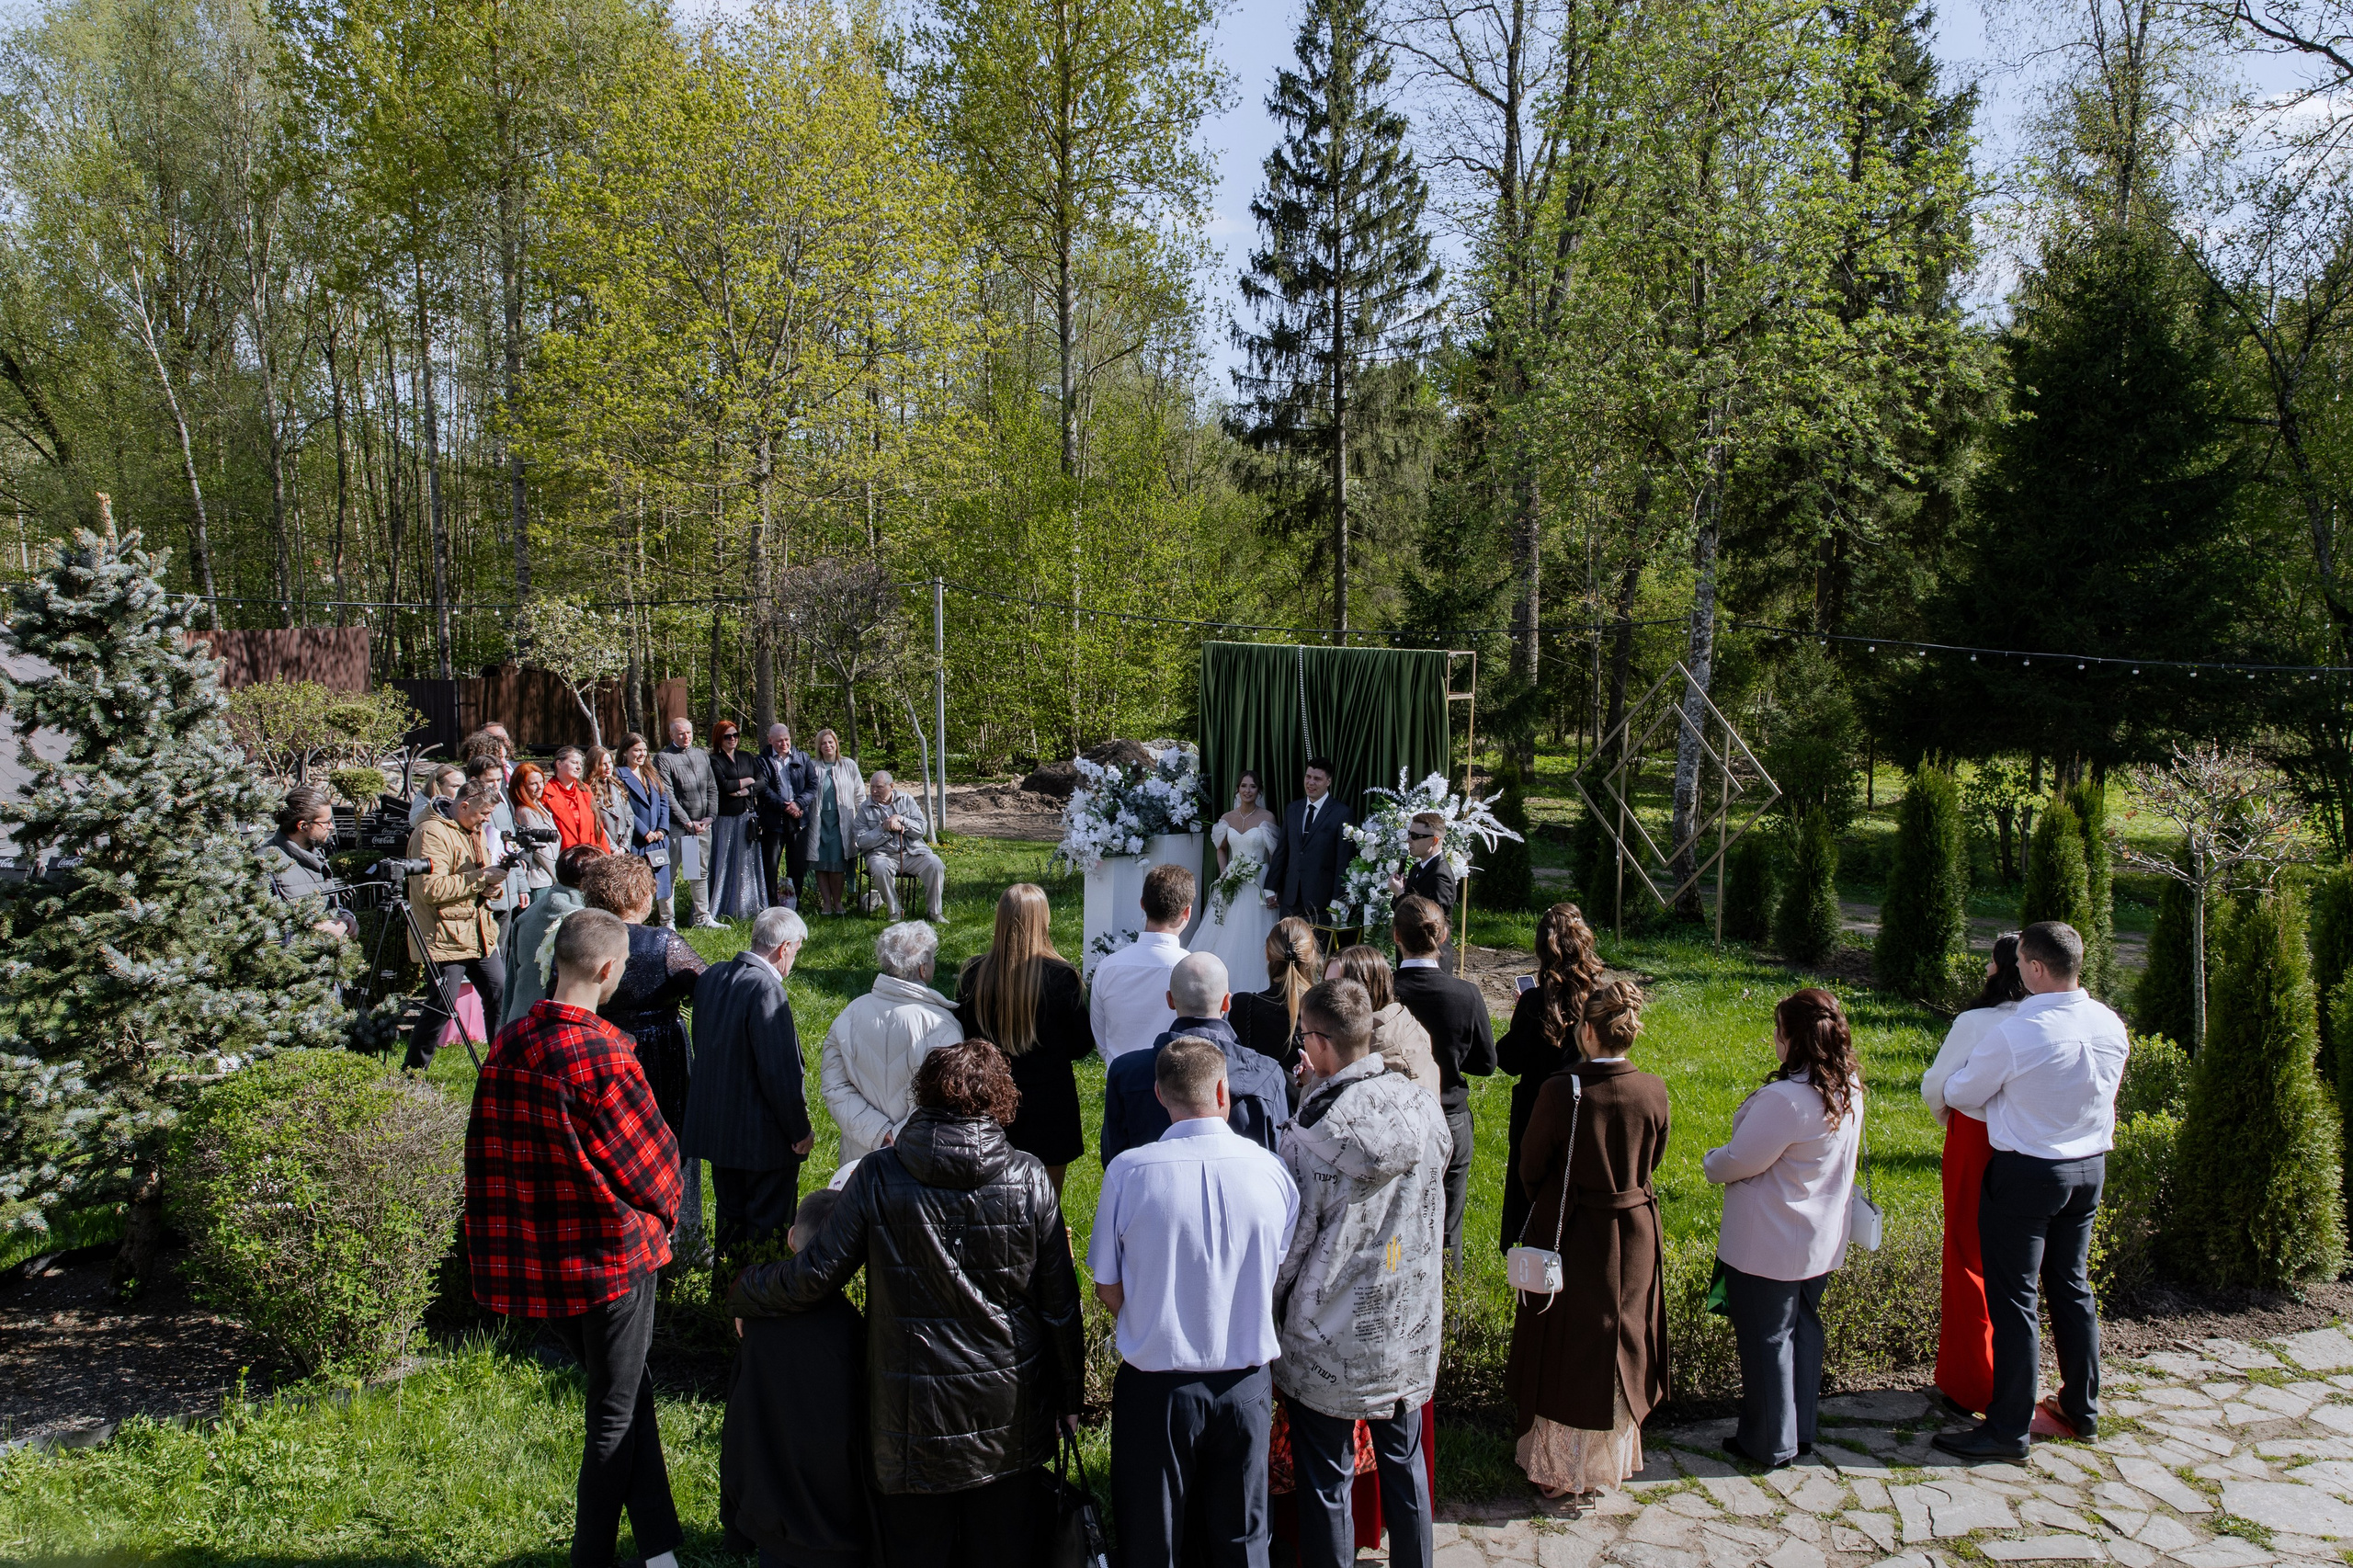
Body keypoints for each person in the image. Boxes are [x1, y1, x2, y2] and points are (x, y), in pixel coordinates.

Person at [732, 1040, 1087, 1568]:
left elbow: (814, 1275)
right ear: (1001, 1100)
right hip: (1008, 1416)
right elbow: (1060, 1305)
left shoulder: (878, 1175)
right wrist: (1069, 1396)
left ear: (924, 1094)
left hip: (910, 1424)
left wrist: (745, 1289)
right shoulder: (1028, 1177)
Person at [463, 907, 685, 1568]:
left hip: (538, 1261)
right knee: (614, 1414)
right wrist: (665, 1219)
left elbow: (487, 1154)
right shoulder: (605, 1057)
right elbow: (654, 1169)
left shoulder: (508, 1044)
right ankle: (592, 1557)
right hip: (610, 1259)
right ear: (610, 969)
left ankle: (660, 1548)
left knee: (628, 1394)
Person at [1091, 1036, 1300, 1568]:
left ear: (1160, 1094)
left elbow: (1107, 1286)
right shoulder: (1272, 1171)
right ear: (1223, 1091)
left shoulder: (1128, 1173)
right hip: (1245, 1383)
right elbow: (1274, 1268)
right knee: (1243, 1542)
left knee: (1153, 1541)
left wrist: (1151, 1317)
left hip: (1156, 1387)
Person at [1934, 920, 2128, 1460]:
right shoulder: (2109, 1022)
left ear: (2037, 969)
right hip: (2088, 1169)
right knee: (2072, 1288)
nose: (2015, 970)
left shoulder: (2019, 1032)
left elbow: (1960, 1090)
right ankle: (2081, 1408)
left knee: (2014, 1299)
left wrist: (2001, 1097)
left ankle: (2008, 1428)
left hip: (2027, 1173)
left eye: (2019, 962)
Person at [1276, 979, 1451, 1568]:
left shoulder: (1308, 1139)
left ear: (1321, 1044)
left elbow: (1290, 1252)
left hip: (1325, 1342)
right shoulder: (1425, 1108)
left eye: (1303, 1037)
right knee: (1406, 1468)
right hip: (1407, 1328)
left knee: (1327, 1484)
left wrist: (1270, 1312)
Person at [1506, 980, 1669, 1505]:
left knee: (1565, 1343)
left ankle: (1559, 1468)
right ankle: (1608, 1461)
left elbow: (1531, 1167)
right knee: (1622, 1338)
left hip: (1574, 1232)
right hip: (1636, 1233)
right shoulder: (1653, 1090)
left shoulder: (1562, 1091)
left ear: (1589, 1031)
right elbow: (1653, 1157)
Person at [1703, 988, 1865, 1471]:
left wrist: (1712, 1161)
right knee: (1804, 1329)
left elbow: (1740, 1160)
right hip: (1820, 1238)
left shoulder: (1786, 1100)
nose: (1774, 1039)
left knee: (1766, 1338)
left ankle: (1769, 1442)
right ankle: (1801, 1430)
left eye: (1778, 1031)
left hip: (1769, 1242)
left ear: (1794, 1038)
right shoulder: (1848, 1087)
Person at [723, 1187, 872, 1568]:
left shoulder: (757, 1322)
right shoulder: (854, 1331)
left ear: (791, 1238)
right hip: (837, 1528)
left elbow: (739, 1420)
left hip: (771, 1517)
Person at [1922, 934, 2028, 1419]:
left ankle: (1970, 1381)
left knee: (1966, 1254)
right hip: (2031, 1142)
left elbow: (1936, 1085)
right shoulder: (2041, 1019)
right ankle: (2012, 1377)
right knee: (2017, 1261)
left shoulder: (1977, 1022)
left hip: (1975, 1136)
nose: (1985, 969)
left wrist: (1948, 1116)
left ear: (2002, 969)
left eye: (1990, 961)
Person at [583, 854, 710, 1244]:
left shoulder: (581, 938)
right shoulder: (662, 942)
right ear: (641, 897)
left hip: (599, 1045)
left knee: (610, 1138)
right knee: (671, 1135)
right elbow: (707, 985)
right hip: (659, 1048)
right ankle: (682, 1234)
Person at [685, 905, 815, 1279]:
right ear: (784, 948)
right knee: (767, 1233)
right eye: (797, 951)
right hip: (763, 1140)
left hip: (720, 1130)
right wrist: (800, 1131)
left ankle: (724, 1300)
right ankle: (759, 1305)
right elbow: (779, 1071)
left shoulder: (713, 975)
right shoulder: (765, 988)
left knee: (730, 1223)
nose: (794, 959)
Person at [957, 882, 1095, 1191]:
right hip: (1050, 1105)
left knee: (991, 1202)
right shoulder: (1062, 976)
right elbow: (1081, 1044)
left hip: (991, 1100)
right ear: (1043, 919)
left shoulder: (974, 974)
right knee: (1046, 1205)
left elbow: (964, 1038)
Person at [1102, 951, 1291, 1164]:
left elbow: (1114, 1159)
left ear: (1170, 1000)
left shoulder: (1126, 1073)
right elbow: (1281, 1157)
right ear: (1227, 1002)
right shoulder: (1266, 1075)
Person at [1392, 895, 1495, 1266]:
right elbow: (1486, 1063)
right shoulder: (1465, 994)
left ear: (1396, 936)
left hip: (1396, 1115)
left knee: (1394, 1221)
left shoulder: (1386, 992)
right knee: (1448, 1223)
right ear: (1444, 935)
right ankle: (1449, 1295)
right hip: (1449, 1113)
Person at [1495, 904, 1605, 1253]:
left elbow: (1507, 1060)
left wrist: (1522, 1014)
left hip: (1536, 1114)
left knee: (1532, 1203)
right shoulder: (1598, 1001)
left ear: (1543, 948)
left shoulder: (1534, 1001)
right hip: (1585, 1112)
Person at [822, 921, 963, 1165]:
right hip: (918, 1158)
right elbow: (944, 1100)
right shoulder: (940, 1025)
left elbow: (834, 1086)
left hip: (860, 1159)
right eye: (932, 959)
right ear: (923, 969)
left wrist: (879, 1132)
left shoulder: (850, 1014)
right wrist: (895, 1136)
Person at [401, 778, 510, 1071]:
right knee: (441, 1006)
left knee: (500, 992)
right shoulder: (430, 832)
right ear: (464, 805)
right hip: (444, 936)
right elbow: (430, 889)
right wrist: (481, 879)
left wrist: (492, 887)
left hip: (479, 932)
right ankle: (412, 1073)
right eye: (483, 813)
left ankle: (499, 1068)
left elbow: (480, 880)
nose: (486, 819)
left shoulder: (473, 829)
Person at [1090, 863, 1195, 1062]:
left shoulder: (1108, 967)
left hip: (1121, 1075)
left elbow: (1102, 1042)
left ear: (1142, 904)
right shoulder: (1191, 969)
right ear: (1187, 912)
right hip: (1175, 1077)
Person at [502, 844, 601, 1031]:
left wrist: (504, 1030)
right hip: (561, 1032)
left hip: (519, 1024)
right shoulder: (590, 923)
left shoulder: (527, 916)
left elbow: (512, 982)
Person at [1199, 767, 1279, 989]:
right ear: (1237, 789)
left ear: (1259, 791)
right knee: (1227, 930)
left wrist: (1273, 887)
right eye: (1244, 786)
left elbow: (1274, 855)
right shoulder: (1227, 818)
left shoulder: (1267, 817)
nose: (1248, 790)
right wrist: (1225, 872)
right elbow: (1221, 848)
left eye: (1253, 786)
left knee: (1254, 931)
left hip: (1258, 882)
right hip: (1233, 881)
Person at [1324, 944, 1439, 1099]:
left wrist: (1317, 1079)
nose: (1323, 999)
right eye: (1323, 987)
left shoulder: (1360, 1052)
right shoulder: (1408, 1029)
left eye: (1334, 990)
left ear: (1364, 991)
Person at [1263, 757, 1353, 926]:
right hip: (1290, 898)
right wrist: (1270, 887)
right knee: (1286, 941)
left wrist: (1338, 900)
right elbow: (1282, 850)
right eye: (1308, 777)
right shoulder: (1293, 809)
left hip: (1322, 901)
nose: (1311, 783)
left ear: (1328, 781)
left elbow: (1344, 860)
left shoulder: (1341, 813)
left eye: (1317, 779)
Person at [852, 770, 946, 923]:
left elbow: (922, 829)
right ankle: (894, 912)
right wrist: (884, 829)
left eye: (879, 787)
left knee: (935, 864)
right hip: (881, 855)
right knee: (880, 868)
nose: (874, 791)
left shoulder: (907, 800)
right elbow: (861, 840)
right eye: (872, 787)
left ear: (891, 786)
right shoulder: (865, 808)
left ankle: (934, 912)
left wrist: (902, 820)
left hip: (911, 853)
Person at [1230, 918, 1319, 1076]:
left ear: (1268, 954)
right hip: (1308, 1092)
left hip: (1257, 1091)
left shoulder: (1243, 1006)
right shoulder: (1323, 1009)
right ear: (1312, 955)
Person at [262, 783, 352, 936]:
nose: (331, 827)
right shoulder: (266, 862)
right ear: (303, 826)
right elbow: (259, 926)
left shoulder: (315, 856)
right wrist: (315, 928)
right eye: (326, 822)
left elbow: (329, 906)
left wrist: (347, 917)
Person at [657, 718, 722, 930]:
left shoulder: (701, 755)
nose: (686, 737)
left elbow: (711, 787)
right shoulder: (664, 758)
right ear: (671, 735)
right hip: (677, 827)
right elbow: (667, 794)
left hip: (701, 826)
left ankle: (702, 918)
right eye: (681, 733)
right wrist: (686, 821)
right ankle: (667, 921)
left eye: (689, 732)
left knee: (698, 873)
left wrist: (710, 816)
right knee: (669, 874)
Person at [755, 723, 819, 911]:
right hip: (773, 820)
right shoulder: (762, 761)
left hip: (799, 819)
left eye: (786, 739)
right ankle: (771, 904)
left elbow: (812, 784)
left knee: (797, 864)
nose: (784, 744)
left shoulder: (802, 757)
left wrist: (798, 804)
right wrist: (786, 806)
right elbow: (763, 789)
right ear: (770, 740)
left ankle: (794, 903)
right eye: (779, 741)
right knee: (771, 864)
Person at [616, 733, 676, 928]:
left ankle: (667, 922)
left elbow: (664, 801)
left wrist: (662, 829)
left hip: (658, 840)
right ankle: (637, 923)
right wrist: (644, 831)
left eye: (644, 750)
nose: (642, 754)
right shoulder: (619, 775)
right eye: (636, 750)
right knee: (637, 885)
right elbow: (624, 808)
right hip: (637, 841)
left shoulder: (651, 773)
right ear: (625, 752)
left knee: (661, 883)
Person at [709, 722, 767, 921]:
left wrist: (744, 790)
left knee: (747, 863)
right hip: (725, 819)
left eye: (735, 735)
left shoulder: (747, 757)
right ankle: (723, 906)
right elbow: (724, 785)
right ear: (719, 738)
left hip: (746, 817)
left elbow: (762, 781)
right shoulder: (714, 760)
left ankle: (748, 906)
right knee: (725, 862)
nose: (732, 739)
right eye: (727, 736)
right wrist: (748, 780)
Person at [803, 728, 864, 916]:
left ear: (836, 744)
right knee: (820, 862)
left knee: (837, 863)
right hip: (818, 821)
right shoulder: (812, 766)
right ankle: (826, 904)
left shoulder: (848, 765)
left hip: (841, 823)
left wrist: (864, 817)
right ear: (818, 747)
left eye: (830, 742)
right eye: (823, 743)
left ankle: (838, 903)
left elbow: (859, 794)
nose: (827, 746)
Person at [1386, 812, 1458, 919]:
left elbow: (1430, 921)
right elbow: (1399, 910)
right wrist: (1401, 890)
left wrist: (1400, 894)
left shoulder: (1441, 877)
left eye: (1415, 836)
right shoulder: (1417, 868)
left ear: (1434, 841)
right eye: (1409, 833)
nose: (1408, 840)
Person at [509, 763, 562, 895]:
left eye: (541, 782)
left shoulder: (537, 804)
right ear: (522, 787)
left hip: (548, 876)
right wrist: (558, 876)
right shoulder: (525, 811)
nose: (540, 787)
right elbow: (540, 849)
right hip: (539, 878)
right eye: (533, 784)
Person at [547, 745, 611, 853]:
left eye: (580, 764)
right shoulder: (546, 795)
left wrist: (606, 856)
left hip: (590, 856)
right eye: (574, 763)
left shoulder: (585, 790)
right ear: (559, 764)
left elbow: (598, 828)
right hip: (564, 857)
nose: (579, 768)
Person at [589, 745, 634, 868]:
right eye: (603, 764)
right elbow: (595, 823)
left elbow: (629, 817)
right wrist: (613, 848)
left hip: (622, 848)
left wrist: (624, 846)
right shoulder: (589, 790)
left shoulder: (617, 786)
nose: (608, 767)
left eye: (610, 762)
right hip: (604, 847)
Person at [410, 762, 464, 829]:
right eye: (455, 786)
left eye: (464, 786)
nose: (462, 790)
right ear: (438, 786)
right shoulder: (428, 816)